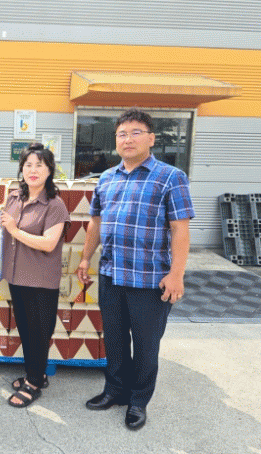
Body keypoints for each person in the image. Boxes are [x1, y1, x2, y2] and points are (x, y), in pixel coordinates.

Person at [77, 109, 194, 430]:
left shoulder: (170, 177)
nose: (127, 139)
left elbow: (180, 229)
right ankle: (115, 390)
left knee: (145, 344)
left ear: (151, 139)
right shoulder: (106, 178)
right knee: (114, 339)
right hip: (112, 274)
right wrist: (86, 258)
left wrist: (177, 274)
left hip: (150, 279)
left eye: (135, 132)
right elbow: (95, 223)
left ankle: (139, 401)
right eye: (122, 134)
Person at [0, 143, 70, 408]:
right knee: (26, 330)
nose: (33, 170)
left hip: (40, 280)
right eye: (28, 164)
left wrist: (15, 230)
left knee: (39, 332)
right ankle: (36, 374)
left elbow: (49, 243)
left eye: (39, 165)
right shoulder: (14, 198)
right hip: (17, 277)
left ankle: (33, 383)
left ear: (49, 170)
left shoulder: (55, 204)